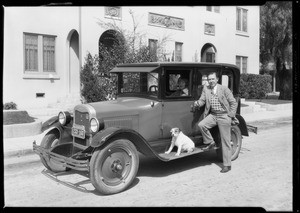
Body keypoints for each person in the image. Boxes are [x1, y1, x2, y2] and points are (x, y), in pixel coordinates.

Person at [194, 71, 237, 173]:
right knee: (201, 125)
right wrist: (197, 104)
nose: (211, 81)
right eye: (209, 79)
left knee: (225, 141)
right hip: (213, 115)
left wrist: (230, 115)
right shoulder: (206, 89)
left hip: (224, 115)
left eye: (213, 79)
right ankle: (211, 142)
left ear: (217, 79)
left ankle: (227, 165)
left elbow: (233, 102)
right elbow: (202, 100)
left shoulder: (224, 89)